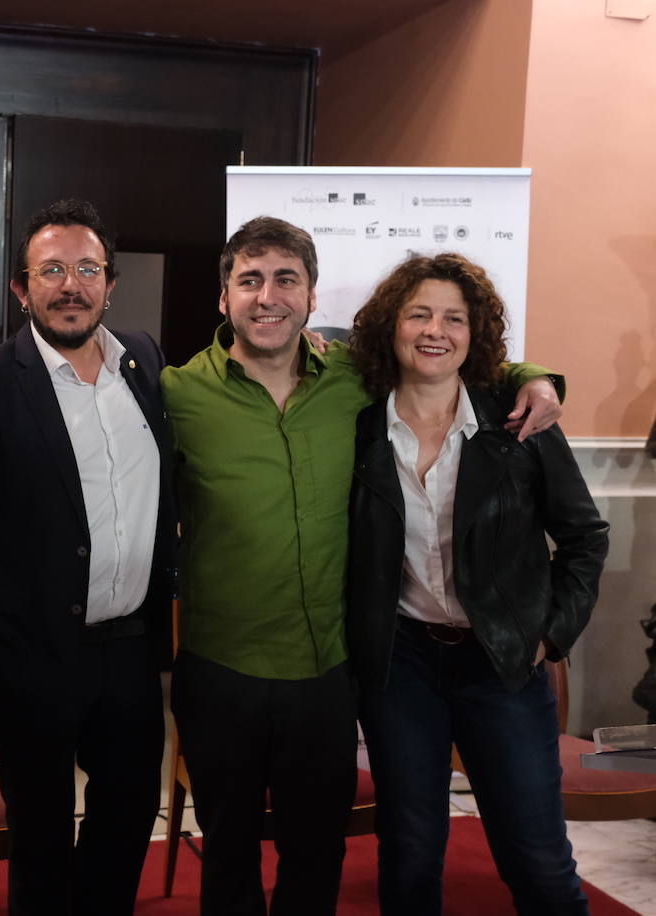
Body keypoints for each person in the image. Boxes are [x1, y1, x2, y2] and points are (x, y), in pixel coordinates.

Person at [161, 217, 563, 915]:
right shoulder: (175, 393)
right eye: (249, 280)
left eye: (286, 279)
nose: (267, 296)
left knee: (315, 854)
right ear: (222, 297)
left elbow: (450, 360)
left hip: (327, 670)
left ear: (312, 296)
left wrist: (536, 377)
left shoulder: (355, 379)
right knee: (227, 853)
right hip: (220, 667)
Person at [0, 198, 174, 914]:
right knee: (40, 843)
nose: (71, 285)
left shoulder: (144, 362)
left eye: (87, 269)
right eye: (52, 270)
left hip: (128, 654)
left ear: (110, 284)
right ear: (21, 288)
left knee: (127, 825)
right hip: (28, 659)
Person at [346, 252, 607, 915]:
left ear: (475, 331)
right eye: (419, 314)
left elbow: (584, 536)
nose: (436, 331)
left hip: (503, 664)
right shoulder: (358, 424)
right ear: (391, 326)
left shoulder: (519, 420)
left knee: (538, 861)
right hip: (402, 664)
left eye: (454, 318)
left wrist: (551, 636)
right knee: (408, 852)